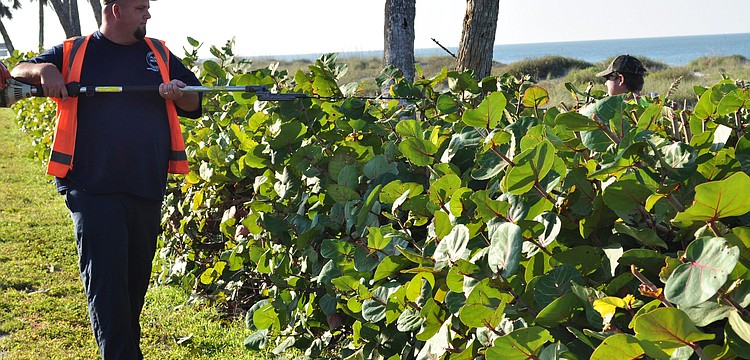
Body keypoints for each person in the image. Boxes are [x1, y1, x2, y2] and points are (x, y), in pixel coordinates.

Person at [10, 0, 202, 358]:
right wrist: (44, 71)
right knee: (108, 289)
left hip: (146, 185)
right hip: (91, 186)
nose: (148, 14)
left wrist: (179, 92)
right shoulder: (74, 51)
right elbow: (20, 69)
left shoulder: (158, 52)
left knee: (132, 289)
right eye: (140, 7)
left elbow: (195, 100)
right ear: (116, 10)